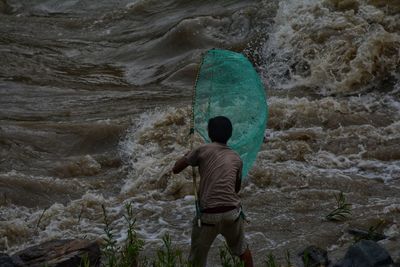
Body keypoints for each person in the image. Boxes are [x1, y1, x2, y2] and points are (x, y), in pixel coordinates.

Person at [172, 116, 254, 267]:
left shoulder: (201, 149)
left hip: (208, 216)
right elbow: (236, 189)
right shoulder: (236, 157)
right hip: (232, 214)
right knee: (242, 250)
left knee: (196, 261)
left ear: (209, 133)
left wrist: (189, 155)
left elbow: (176, 169)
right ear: (229, 134)